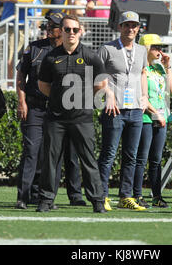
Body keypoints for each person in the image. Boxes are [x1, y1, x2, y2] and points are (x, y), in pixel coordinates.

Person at [37, 14, 107, 213]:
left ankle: (97, 202)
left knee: (88, 160)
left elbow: (101, 84)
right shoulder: (51, 57)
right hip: (56, 119)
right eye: (67, 29)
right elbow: (43, 85)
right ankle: (45, 200)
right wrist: (60, 99)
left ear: (80, 32)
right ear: (62, 31)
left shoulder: (91, 56)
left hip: (82, 118)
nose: (71, 33)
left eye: (75, 30)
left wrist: (81, 100)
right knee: (50, 160)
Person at [15, 12, 84, 209]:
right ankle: (23, 197)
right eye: (48, 25)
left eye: (53, 26)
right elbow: (21, 75)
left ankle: (46, 198)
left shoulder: (69, 51)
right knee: (31, 152)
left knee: (53, 156)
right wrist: (22, 102)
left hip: (58, 111)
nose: (48, 29)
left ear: (61, 30)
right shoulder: (35, 48)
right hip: (35, 107)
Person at [97, 11, 148, 211]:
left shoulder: (142, 50)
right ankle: (102, 195)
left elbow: (143, 73)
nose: (131, 29)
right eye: (127, 25)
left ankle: (126, 196)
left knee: (131, 155)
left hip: (135, 109)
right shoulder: (107, 49)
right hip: (114, 109)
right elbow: (96, 75)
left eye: (134, 25)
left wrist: (145, 96)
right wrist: (108, 92)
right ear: (120, 27)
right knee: (109, 153)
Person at [133, 34, 172, 208]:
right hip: (146, 118)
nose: (159, 50)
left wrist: (168, 67)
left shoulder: (158, 69)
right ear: (145, 49)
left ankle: (157, 196)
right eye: (155, 47)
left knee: (156, 159)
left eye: (160, 47)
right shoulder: (140, 68)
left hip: (160, 118)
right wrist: (155, 113)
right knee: (141, 158)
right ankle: (136, 194)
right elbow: (141, 95)